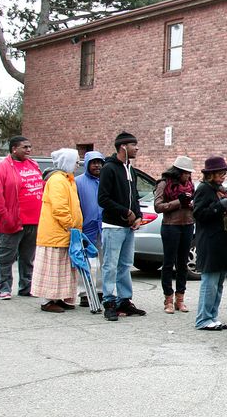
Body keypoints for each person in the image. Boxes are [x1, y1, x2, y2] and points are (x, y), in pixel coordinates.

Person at [0, 136, 45, 299]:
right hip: (12, 221)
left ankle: (27, 286)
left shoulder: (33, 164)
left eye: (30, 147)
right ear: (13, 149)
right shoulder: (1, 168)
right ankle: (2, 287)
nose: (28, 150)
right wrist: (5, 217)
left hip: (33, 220)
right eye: (24, 147)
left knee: (28, 257)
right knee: (6, 256)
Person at [98, 131, 145, 320]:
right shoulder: (109, 168)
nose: (137, 148)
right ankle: (109, 301)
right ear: (123, 147)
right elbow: (103, 199)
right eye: (134, 145)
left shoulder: (130, 169)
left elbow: (134, 196)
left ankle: (124, 300)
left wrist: (138, 216)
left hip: (128, 227)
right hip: (113, 226)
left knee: (125, 264)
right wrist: (124, 212)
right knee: (110, 265)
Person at [31, 149, 83, 313]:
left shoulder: (68, 180)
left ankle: (59, 297)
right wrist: (70, 225)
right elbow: (60, 208)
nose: (77, 165)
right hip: (56, 233)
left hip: (65, 233)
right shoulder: (57, 181)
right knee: (52, 269)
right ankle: (47, 300)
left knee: (63, 269)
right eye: (75, 162)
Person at [192, 156, 227, 330]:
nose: (223, 175)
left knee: (218, 282)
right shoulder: (204, 189)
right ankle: (203, 319)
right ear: (211, 174)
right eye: (220, 172)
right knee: (209, 282)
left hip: (222, 240)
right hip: (210, 241)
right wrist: (221, 205)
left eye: (224, 173)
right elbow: (199, 214)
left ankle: (212, 316)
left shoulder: (219, 189)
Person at [155, 156, 196, 314]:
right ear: (177, 172)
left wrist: (191, 204)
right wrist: (178, 202)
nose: (187, 176)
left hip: (187, 224)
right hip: (170, 226)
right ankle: (168, 299)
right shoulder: (164, 184)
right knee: (168, 263)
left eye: (189, 173)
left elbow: (195, 204)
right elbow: (158, 206)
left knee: (182, 264)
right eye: (185, 173)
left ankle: (180, 299)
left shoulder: (190, 185)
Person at [75, 151, 104, 307]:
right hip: (86, 228)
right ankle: (84, 293)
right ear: (87, 164)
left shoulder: (106, 181)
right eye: (93, 162)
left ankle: (100, 291)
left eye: (99, 162)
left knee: (103, 262)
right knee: (86, 262)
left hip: (103, 227)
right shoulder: (78, 182)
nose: (97, 165)